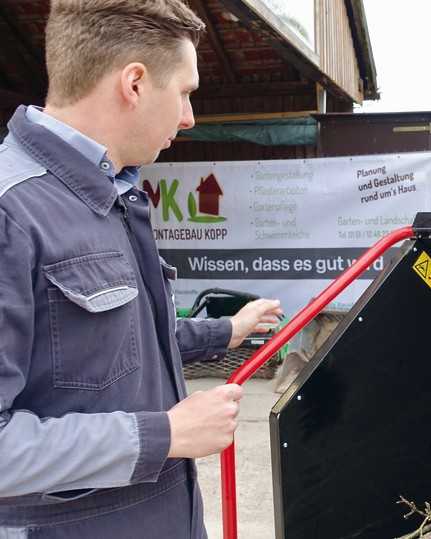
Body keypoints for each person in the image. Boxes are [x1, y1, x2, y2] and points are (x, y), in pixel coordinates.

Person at [0, 1, 283, 537]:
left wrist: (227, 330)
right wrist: (165, 435)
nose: (189, 117)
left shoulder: (113, 192)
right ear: (134, 83)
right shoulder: (11, 210)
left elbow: (118, 342)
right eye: (185, 92)